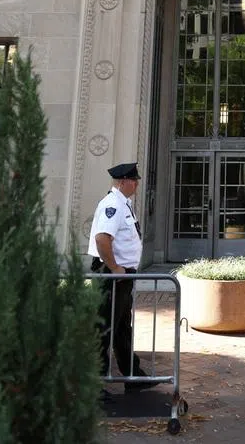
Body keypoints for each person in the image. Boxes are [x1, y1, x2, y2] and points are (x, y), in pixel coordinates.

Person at [87, 161, 157, 388]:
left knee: (121, 327)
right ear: (123, 182)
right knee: (105, 327)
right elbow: (102, 239)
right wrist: (115, 268)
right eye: (134, 180)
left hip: (122, 276)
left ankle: (132, 375)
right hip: (112, 275)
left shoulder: (122, 204)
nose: (137, 184)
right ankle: (94, 384)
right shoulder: (113, 205)